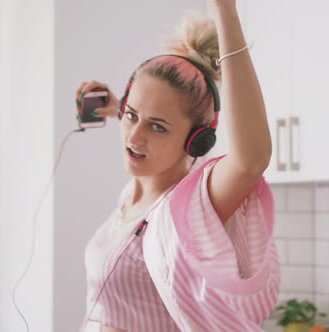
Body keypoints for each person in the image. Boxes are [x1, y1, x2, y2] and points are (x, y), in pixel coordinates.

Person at [75, 1, 280, 331]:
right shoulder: (133, 191)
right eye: (131, 116)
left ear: (196, 140)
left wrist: (225, 11)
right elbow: (139, 126)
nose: (134, 138)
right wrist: (121, 109)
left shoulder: (190, 206)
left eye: (157, 127)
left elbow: (250, 161)